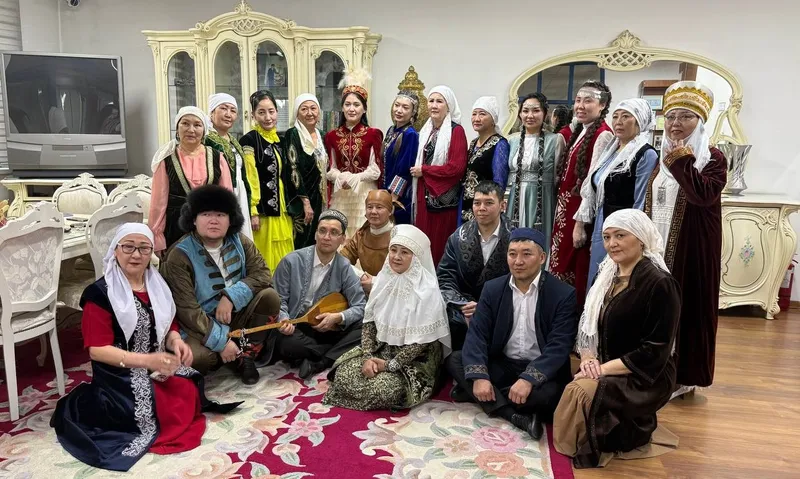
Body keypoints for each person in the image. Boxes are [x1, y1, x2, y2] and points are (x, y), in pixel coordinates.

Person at [51, 224, 241, 472]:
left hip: (153, 364)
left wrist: (176, 342)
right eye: (128, 247)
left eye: (143, 248)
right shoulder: (99, 294)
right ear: (115, 250)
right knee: (159, 409)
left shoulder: (156, 284)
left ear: (151, 252)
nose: (136, 255)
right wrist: (147, 361)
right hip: (118, 373)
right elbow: (97, 351)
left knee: (186, 386)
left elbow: (168, 324)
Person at [553, 209, 680, 468]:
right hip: (606, 361)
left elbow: (654, 351)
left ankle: (573, 448)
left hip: (646, 374)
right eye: (607, 237)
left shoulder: (660, 284)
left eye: (620, 235)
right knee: (563, 382)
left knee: (579, 391)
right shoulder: (607, 275)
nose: (612, 244)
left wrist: (600, 370)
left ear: (641, 239)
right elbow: (588, 326)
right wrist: (588, 358)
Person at [447, 228, 578, 439]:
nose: (518, 261)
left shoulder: (562, 294)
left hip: (542, 370)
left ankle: (478, 395)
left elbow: (559, 346)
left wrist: (528, 380)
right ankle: (514, 415)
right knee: (455, 360)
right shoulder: (493, 289)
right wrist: (480, 377)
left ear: (542, 257)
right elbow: (477, 334)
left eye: (527, 254)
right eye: (512, 254)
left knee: (550, 397)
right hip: (504, 364)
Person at [644, 81, 727, 394]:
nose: (675, 123)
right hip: (658, 240)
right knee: (657, 305)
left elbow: (702, 194)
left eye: (685, 116)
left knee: (688, 306)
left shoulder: (713, 158)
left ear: (700, 122)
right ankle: (655, 368)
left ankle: (683, 375)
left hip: (692, 245)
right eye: (670, 116)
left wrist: (680, 158)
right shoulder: (659, 156)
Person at [161, 185, 281, 385]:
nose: (214, 220)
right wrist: (222, 342)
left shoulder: (240, 241)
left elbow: (262, 274)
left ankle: (245, 355)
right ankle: (228, 352)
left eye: (220, 214)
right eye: (206, 214)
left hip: (236, 314)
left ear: (230, 219)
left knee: (270, 297)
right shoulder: (179, 255)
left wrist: (231, 296)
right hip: (199, 324)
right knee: (195, 358)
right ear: (193, 219)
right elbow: (187, 310)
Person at [323, 224, 452, 410]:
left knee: (383, 390)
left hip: (414, 359)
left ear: (416, 257)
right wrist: (368, 357)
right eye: (393, 250)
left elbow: (420, 343)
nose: (396, 257)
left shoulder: (427, 289)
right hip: (382, 349)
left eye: (404, 252)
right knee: (343, 373)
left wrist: (390, 365)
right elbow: (369, 324)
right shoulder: (383, 279)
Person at [272, 209, 367, 379]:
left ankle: (319, 361)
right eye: (322, 231)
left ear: (342, 239)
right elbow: (278, 299)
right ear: (315, 234)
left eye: (334, 232)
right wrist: (284, 319)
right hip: (297, 326)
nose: (326, 237)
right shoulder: (291, 261)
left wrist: (337, 317)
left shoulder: (344, 267)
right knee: (286, 344)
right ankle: (330, 356)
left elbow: (360, 306)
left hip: (329, 327)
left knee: (366, 329)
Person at [574, 98, 658, 288]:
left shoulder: (645, 154)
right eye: (615, 116)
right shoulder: (611, 151)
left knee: (617, 279)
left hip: (623, 229)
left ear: (640, 121)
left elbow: (641, 201)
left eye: (626, 117)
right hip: (602, 221)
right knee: (598, 278)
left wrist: (631, 236)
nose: (618, 122)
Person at [550, 81, 614, 307]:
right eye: (578, 100)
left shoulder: (603, 135)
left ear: (602, 105)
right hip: (566, 212)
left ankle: (571, 317)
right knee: (560, 264)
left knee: (573, 268)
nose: (580, 106)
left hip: (578, 215)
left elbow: (592, 184)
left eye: (588, 101)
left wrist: (580, 224)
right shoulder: (581, 130)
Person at [149, 106, 233, 255]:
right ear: (177, 128)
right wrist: (157, 237)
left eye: (197, 125)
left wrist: (227, 230)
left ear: (204, 130)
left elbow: (227, 199)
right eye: (185, 124)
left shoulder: (217, 157)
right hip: (176, 228)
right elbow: (158, 204)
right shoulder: (166, 160)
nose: (191, 130)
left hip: (211, 227)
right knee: (178, 266)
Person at [437, 181, 511, 350]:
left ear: (502, 205)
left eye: (489, 203)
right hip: (464, 310)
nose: (481, 208)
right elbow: (445, 278)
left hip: (502, 308)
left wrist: (485, 307)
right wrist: (462, 304)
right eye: (477, 203)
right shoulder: (458, 237)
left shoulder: (515, 238)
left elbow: (523, 280)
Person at [240, 90, 303, 271]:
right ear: (253, 115)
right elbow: (250, 177)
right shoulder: (249, 140)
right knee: (265, 252)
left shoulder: (280, 141)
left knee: (285, 250)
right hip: (263, 211)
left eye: (271, 111)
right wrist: (253, 211)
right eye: (261, 112)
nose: (268, 117)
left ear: (277, 111)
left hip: (282, 208)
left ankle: (284, 286)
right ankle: (267, 287)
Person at [411, 85, 468, 265]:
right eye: (431, 101)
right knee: (422, 243)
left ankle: (438, 280)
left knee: (439, 246)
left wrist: (425, 170)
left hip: (443, 200)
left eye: (439, 101)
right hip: (423, 195)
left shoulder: (456, 131)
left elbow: (457, 167)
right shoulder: (426, 131)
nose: (434, 105)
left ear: (448, 106)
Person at [325, 68, 384, 238]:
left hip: (364, 193)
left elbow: (375, 170)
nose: (352, 109)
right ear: (342, 108)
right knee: (340, 234)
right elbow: (331, 169)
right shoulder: (332, 136)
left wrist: (355, 178)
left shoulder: (373, 134)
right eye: (347, 104)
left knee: (362, 236)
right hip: (341, 194)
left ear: (364, 109)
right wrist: (341, 177)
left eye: (356, 105)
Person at [507, 93, 561, 242]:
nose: (530, 115)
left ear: (545, 114)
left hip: (543, 199)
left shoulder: (555, 140)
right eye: (525, 111)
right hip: (514, 198)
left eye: (536, 110)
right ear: (519, 114)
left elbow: (558, 178)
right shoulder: (511, 141)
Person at [205, 93, 256, 240]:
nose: (228, 114)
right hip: (220, 194)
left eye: (233, 110)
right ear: (212, 112)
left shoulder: (234, 140)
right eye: (223, 108)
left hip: (240, 192)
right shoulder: (206, 139)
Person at [284, 93, 328, 249]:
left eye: (313, 108)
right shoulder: (293, 134)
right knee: (303, 240)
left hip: (321, 197)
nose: (309, 113)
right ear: (297, 113)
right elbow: (293, 168)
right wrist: (305, 202)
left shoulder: (323, 135)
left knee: (320, 238)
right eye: (304, 109)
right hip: (302, 197)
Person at [460, 96, 509, 224]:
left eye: (482, 114)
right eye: (474, 114)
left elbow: (499, 182)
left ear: (493, 119)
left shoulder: (500, 144)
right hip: (468, 203)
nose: (477, 119)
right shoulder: (473, 143)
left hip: (485, 206)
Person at [340, 189, 397, 294]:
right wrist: (361, 275)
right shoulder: (361, 234)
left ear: (390, 211)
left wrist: (376, 283)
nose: (373, 212)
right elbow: (342, 260)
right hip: (365, 290)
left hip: (391, 292)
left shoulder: (398, 237)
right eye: (370, 207)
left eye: (379, 207)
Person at [383, 91, 420, 225]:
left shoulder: (410, 134)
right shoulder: (391, 130)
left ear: (413, 112)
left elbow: (404, 170)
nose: (399, 110)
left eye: (405, 107)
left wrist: (393, 199)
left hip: (399, 197)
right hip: (386, 191)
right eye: (397, 105)